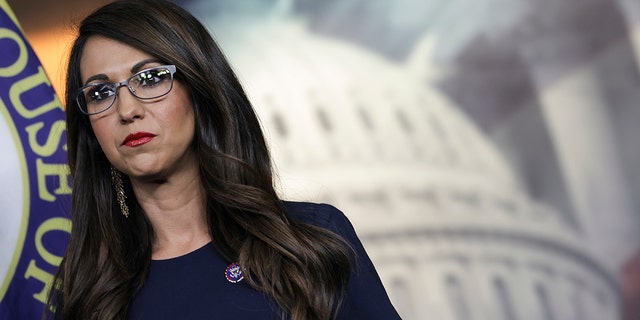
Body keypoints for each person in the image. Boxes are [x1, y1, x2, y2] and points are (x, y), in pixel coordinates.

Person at [45, 1, 400, 319]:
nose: (127, 110)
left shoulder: (311, 241)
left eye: (150, 78)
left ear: (200, 89)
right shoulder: (87, 290)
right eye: (100, 92)